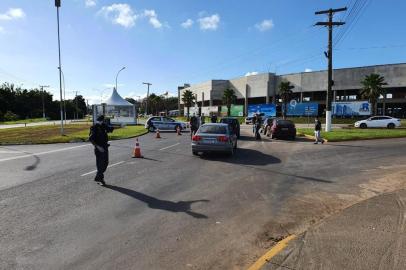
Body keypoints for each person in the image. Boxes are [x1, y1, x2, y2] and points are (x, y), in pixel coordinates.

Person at [89, 115, 114, 186]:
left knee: (106, 163)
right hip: (99, 149)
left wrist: (121, 126)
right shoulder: (94, 128)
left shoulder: (103, 126)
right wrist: (98, 147)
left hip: (105, 147)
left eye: (102, 120)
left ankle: (98, 176)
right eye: (101, 120)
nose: (102, 122)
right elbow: (91, 139)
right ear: (98, 121)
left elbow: (110, 129)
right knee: (100, 164)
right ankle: (100, 178)